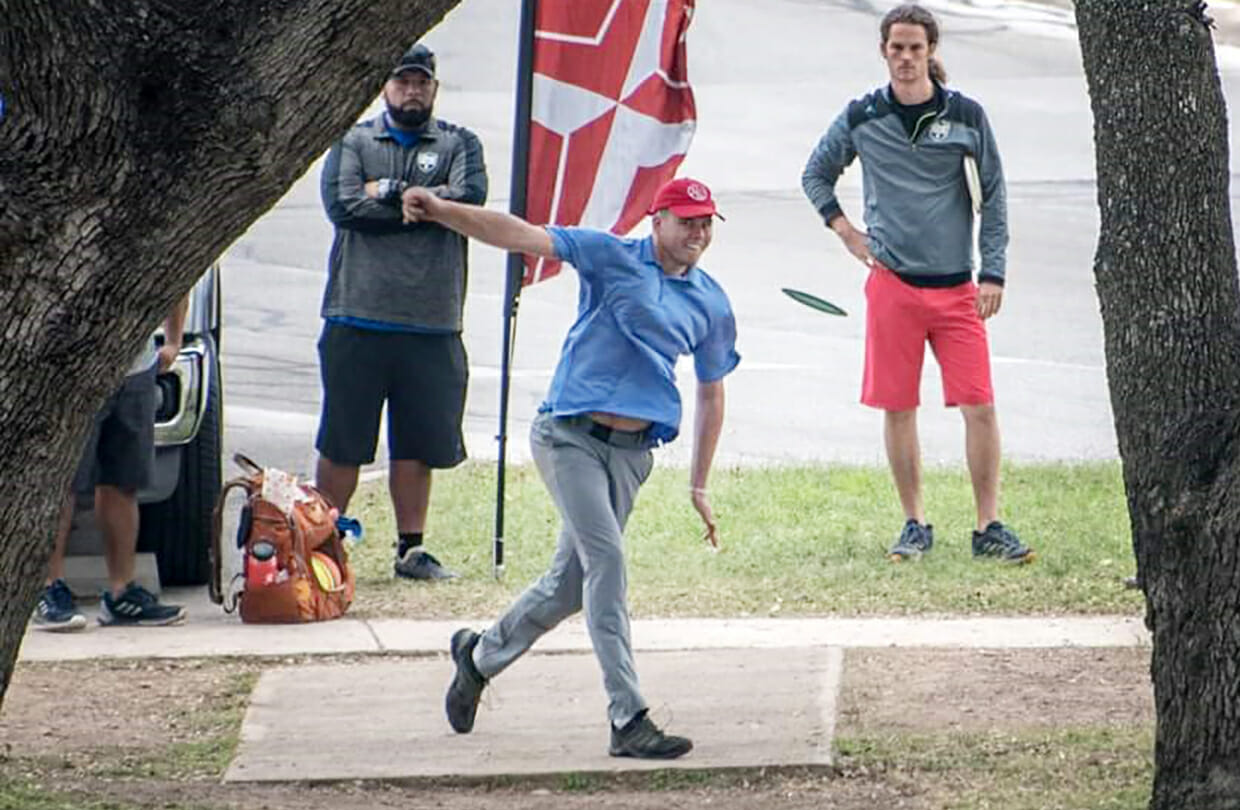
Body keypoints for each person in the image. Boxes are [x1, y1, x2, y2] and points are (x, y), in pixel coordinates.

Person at [404, 176, 739, 760]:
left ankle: (478, 657)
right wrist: (439, 210)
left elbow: (713, 392)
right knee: (605, 562)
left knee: (568, 587)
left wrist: (700, 483)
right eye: (686, 220)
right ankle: (627, 717)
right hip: (568, 436)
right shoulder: (612, 255)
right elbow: (520, 235)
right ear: (656, 221)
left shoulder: (710, 300)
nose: (698, 231)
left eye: (706, 221)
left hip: (633, 454)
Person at [801, 3, 1034, 565]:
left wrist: (993, 271)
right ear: (884, 51)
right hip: (893, 286)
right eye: (896, 47)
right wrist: (847, 232)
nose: (906, 57)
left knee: (979, 404)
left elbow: (996, 194)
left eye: (916, 47)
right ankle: (914, 523)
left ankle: (988, 525)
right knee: (899, 407)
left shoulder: (966, 116)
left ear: (932, 51)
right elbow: (815, 173)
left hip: (957, 288)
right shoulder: (862, 116)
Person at [314, 42, 488, 581]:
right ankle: (322, 543)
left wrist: (398, 197)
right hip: (356, 315)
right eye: (402, 81)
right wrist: (417, 201)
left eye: (421, 82)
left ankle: (411, 548)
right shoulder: (354, 139)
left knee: (418, 441)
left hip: (432, 320)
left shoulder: (461, 142)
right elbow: (344, 207)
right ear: (385, 86)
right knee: (344, 438)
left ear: (434, 87)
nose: (412, 91)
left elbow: (470, 201)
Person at [33, 298, 190, 630]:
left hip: (136, 366)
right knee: (61, 479)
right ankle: (47, 588)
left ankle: (121, 592)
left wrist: (174, 339)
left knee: (123, 480)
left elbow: (176, 275)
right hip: (70, 365)